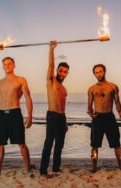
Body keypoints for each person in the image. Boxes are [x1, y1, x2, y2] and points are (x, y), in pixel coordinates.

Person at [87, 64, 121, 172]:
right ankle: (94, 167)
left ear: (104, 72)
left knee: (116, 144)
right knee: (94, 145)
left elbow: (117, 103)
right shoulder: (91, 89)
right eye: (96, 72)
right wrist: (90, 113)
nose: (98, 74)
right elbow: (89, 105)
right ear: (94, 74)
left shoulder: (113, 87)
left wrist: (120, 113)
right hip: (97, 118)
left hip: (109, 117)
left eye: (100, 71)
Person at [40, 41, 70, 178]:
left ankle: (56, 168)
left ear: (67, 73)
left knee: (59, 145)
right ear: (57, 71)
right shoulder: (51, 81)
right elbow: (51, 64)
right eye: (61, 70)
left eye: (65, 71)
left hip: (62, 118)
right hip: (52, 116)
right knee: (48, 144)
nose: (62, 73)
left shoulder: (64, 89)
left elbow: (63, 106)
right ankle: (43, 171)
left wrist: (65, 122)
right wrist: (51, 49)